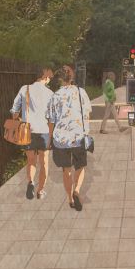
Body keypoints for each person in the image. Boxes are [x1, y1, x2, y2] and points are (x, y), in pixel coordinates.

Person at [47, 65, 92, 210]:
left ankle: (69, 199)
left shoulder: (55, 96)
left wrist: (49, 139)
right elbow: (87, 114)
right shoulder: (81, 92)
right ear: (72, 77)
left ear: (60, 79)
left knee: (66, 169)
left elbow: (51, 121)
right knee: (80, 166)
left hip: (61, 138)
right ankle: (77, 191)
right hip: (78, 136)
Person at [10, 67, 54, 200]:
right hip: (44, 131)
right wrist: (50, 135)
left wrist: (17, 120)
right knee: (44, 162)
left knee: (31, 160)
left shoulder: (25, 89)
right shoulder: (50, 94)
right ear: (45, 78)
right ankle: (40, 191)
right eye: (49, 79)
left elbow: (14, 110)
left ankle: (30, 183)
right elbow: (52, 118)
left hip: (28, 131)